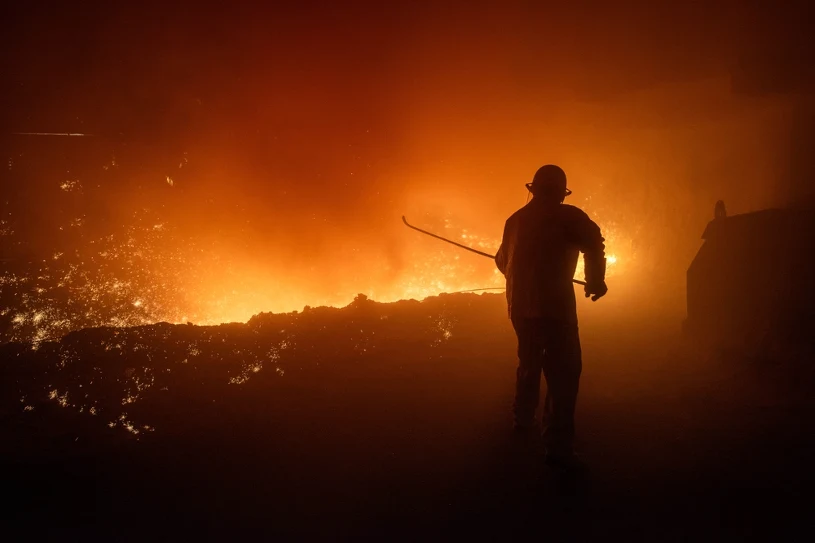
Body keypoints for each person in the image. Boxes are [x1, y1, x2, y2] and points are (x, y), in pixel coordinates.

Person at [495, 165, 607, 469]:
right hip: (555, 311)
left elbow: (502, 261)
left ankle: (522, 418)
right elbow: (594, 243)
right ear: (560, 191)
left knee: (529, 363)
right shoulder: (568, 216)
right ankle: (557, 449)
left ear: (533, 189)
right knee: (563, 374)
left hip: (520, 308)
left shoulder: (514, 221)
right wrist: (595, 280)